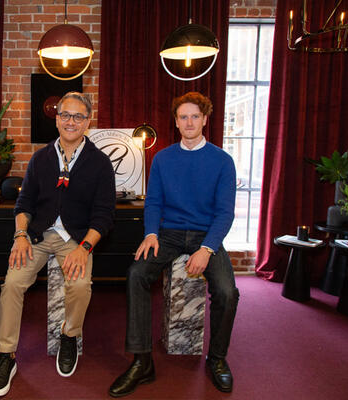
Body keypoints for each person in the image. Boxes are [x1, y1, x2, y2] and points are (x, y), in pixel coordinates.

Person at [0, 92, 116, 397]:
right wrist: (19, 236)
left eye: (78, 116)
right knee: (13, 282)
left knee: (81, 285)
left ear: (88, 122)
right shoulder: (41, 158)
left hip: (78, 238)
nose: (71, 121)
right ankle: (6, 355)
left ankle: (69, 335)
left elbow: (105, 214)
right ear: (57, 119)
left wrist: (84, 248)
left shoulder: (100, 163)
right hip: (39, 236)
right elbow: (23, 203)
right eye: (66, 115)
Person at [108, 92, 239, 397]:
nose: (189, 122)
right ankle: (142, 361)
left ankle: (217, 358)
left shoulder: (222, 161)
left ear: (205, 119)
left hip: (206, 236)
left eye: (195, 116)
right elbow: (153, 202)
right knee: (136, 274)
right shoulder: (164, 158)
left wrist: (207, 249)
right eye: (183, 117)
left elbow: (224, 212)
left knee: (227, 291)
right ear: (176, 122)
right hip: (168, 233)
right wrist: (151, 233)